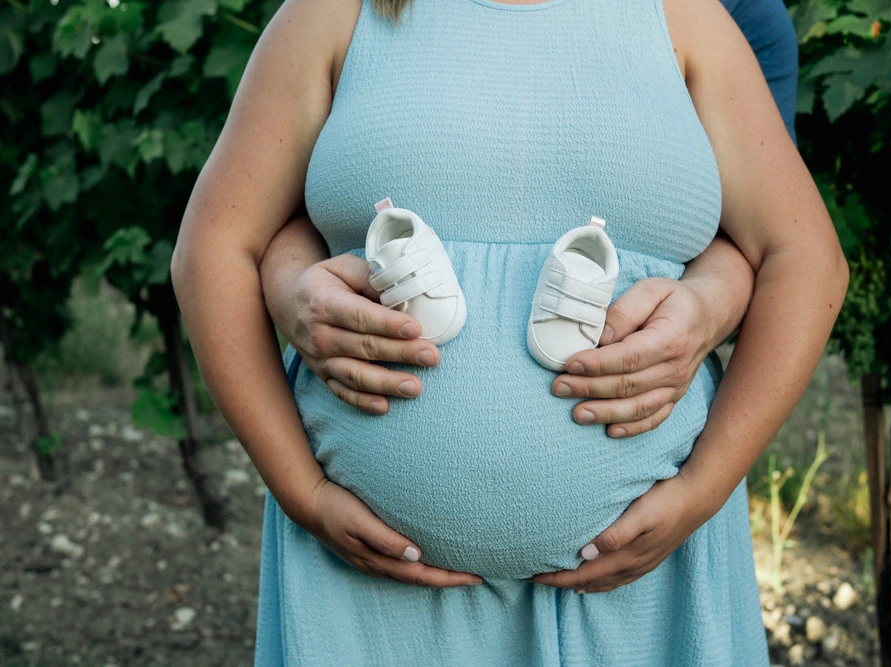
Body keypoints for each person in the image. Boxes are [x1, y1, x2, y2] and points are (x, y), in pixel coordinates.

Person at [171, 0, 847, 665]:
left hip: (640, 595)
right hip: (367, 605)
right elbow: (214, 249)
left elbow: (804, 257)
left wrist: (704, 488)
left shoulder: (691, 19)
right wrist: (303, 492)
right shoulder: (332, 14)